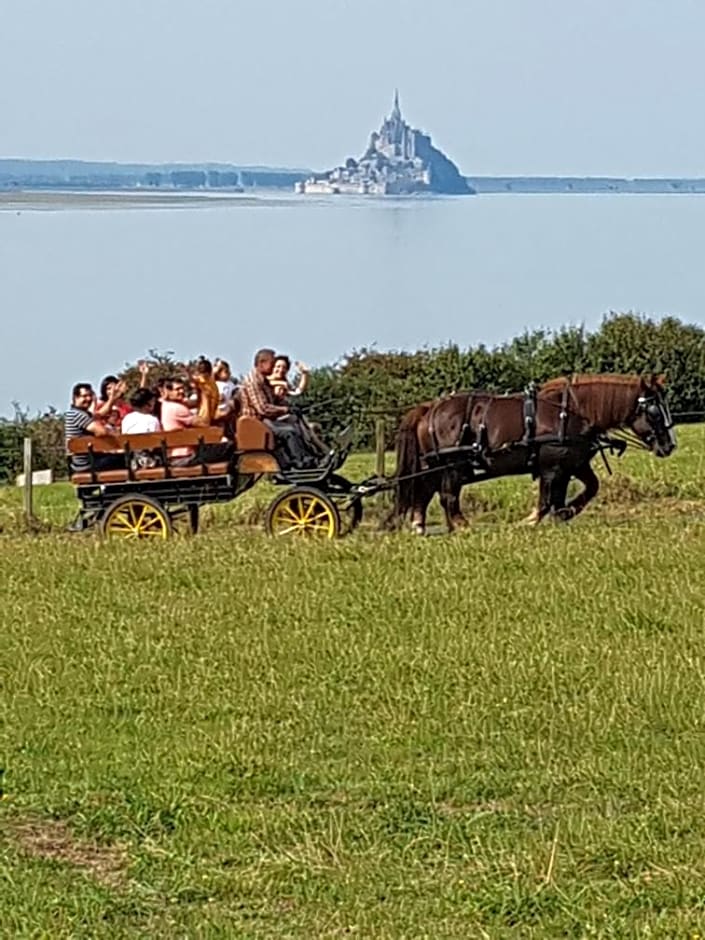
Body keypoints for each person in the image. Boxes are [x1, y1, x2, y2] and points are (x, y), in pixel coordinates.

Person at [239, 349, 317, 469]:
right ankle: (301, 462)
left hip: (264, 420)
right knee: (288, 432)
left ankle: (309, 457)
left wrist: (289, 407)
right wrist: (286, 410)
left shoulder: (263, 380)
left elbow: (275, 400)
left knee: (295, 426)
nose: (274, 366)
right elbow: (263, 409)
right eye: (272, 363)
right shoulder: (252, 381)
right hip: (257, 422)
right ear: (262, 363)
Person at [161, 377, 231, 465]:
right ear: (168, 391)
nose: (182, 391)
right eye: (177, 389)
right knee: (229, 445)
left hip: (175, 456)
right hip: (184, 457)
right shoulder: (178, 408)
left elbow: (197, 403)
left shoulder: (166, 405)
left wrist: (199, 389)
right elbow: (204, 423)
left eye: (182, 388)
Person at [65, 383, 123, 473]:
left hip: (82, 463)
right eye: (84, 396)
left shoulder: (75, 413)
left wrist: (112, 398)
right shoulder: (79, 415)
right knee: (125, 458)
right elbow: (101, 432)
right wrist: (115, 433)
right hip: (87, 465)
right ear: (75, 397)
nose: (88, 399)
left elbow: (100, 414)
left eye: (90, 395)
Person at [191, 356, 220, 424]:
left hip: (207, 415)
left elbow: (194, 379)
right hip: (207, 414)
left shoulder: (206, 381)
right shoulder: (209, 381)